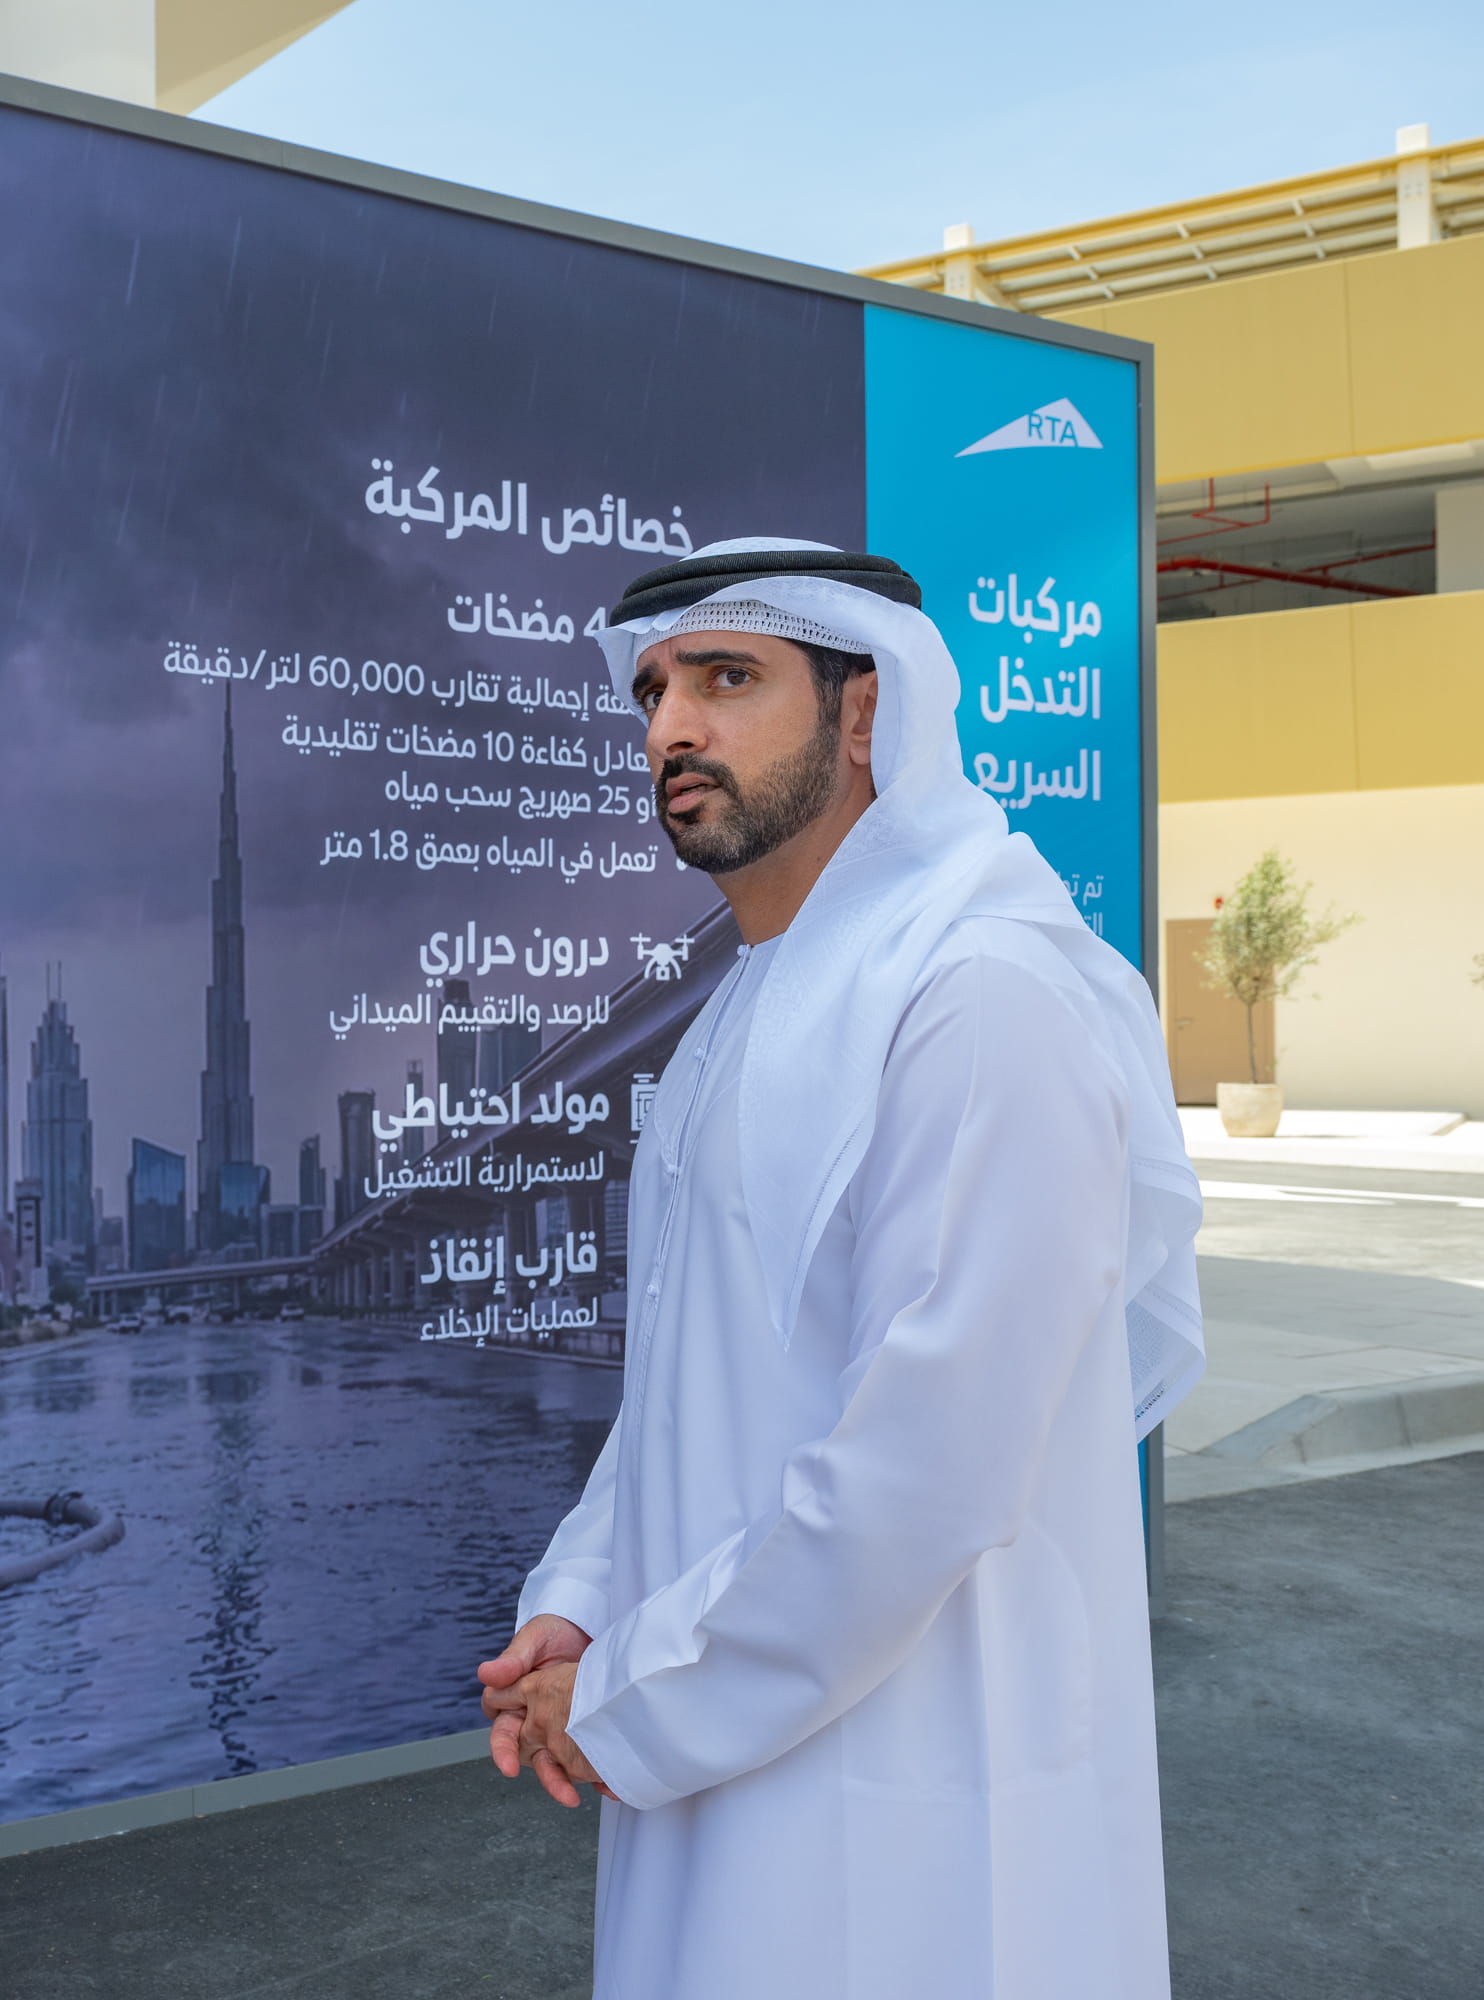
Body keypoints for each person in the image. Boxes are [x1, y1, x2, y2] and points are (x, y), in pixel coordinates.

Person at [476, 542, 1204, 1998]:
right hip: (714, 1721)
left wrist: (629, 1695)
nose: (673, 727)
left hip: (919, 1774)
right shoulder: (750, 1006)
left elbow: (928, 1467)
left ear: (865, 713)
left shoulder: (980, 995)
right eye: (654, 692)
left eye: (726, 679)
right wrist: (585, 1592)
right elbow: (683, 1374)